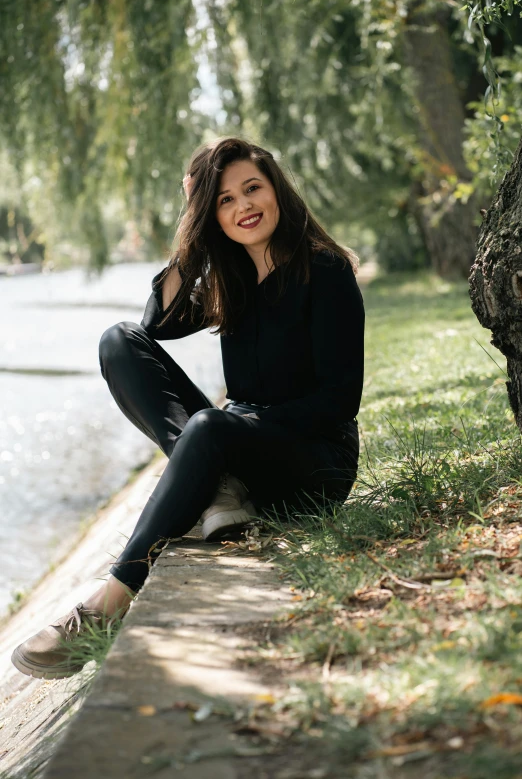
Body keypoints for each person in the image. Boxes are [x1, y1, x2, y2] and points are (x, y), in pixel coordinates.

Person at [11, 136, 365, 680]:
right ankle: (221, 489)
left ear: (277, 191)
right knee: (118, 340)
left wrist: (242, 427)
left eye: (252, 189)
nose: (243, 207)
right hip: (240, 442)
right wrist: (191, 227)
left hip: (315, 463)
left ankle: (108, 601)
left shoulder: (325, 271)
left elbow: (339, 401)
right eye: (223, 200)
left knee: (211, 427)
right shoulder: (232, 280)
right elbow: (154, 323)